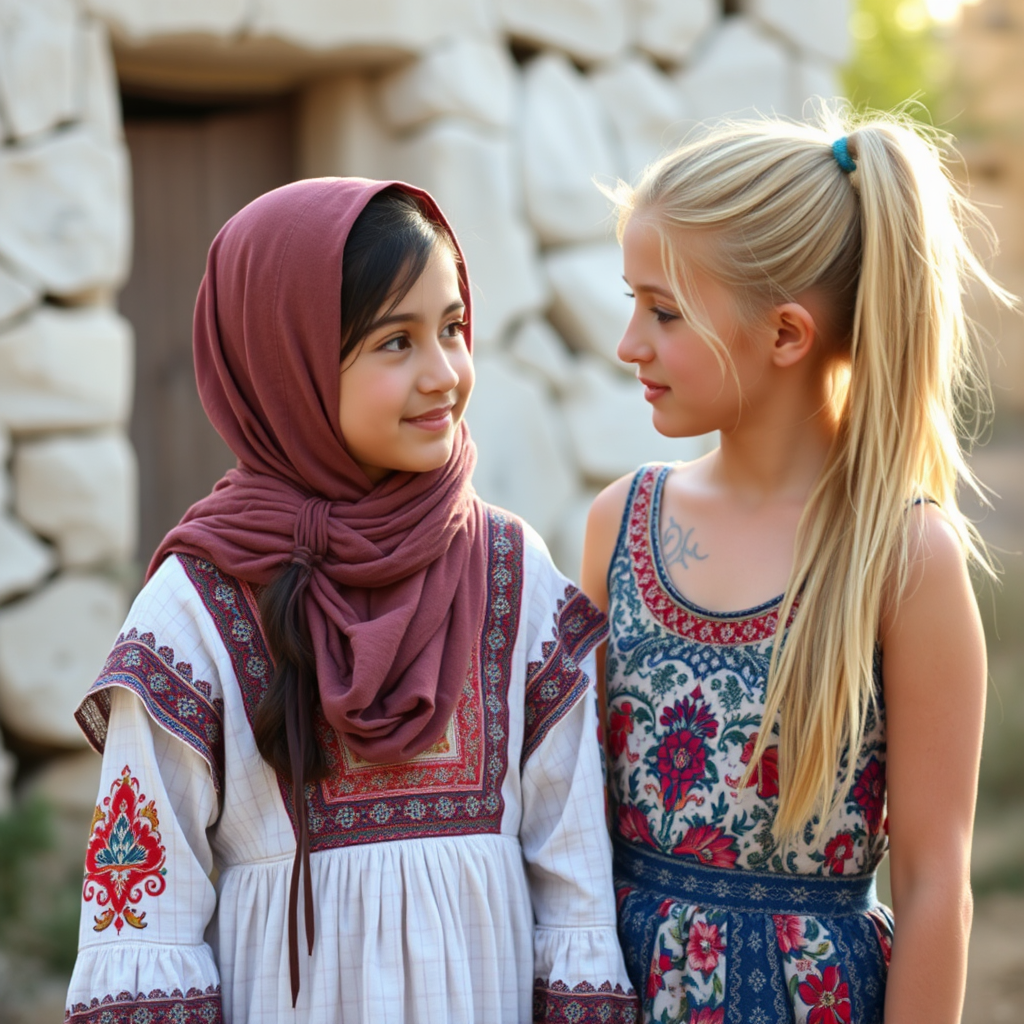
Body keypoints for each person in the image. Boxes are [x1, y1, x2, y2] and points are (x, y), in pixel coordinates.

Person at [65, 178, 639, 1024]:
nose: (444, 373)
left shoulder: (513, 574)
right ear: (283, 360)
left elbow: (576, 883)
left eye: (452, 328)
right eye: (394, 343)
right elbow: (143, 928)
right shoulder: (196, 608)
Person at [580, 112, 1009, 1024]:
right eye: (632, 302)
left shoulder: (903, 557)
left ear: (784, 335)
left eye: (662, 311)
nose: (629, 344)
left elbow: (936, 883)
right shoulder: (619, 524)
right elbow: (574, 824)